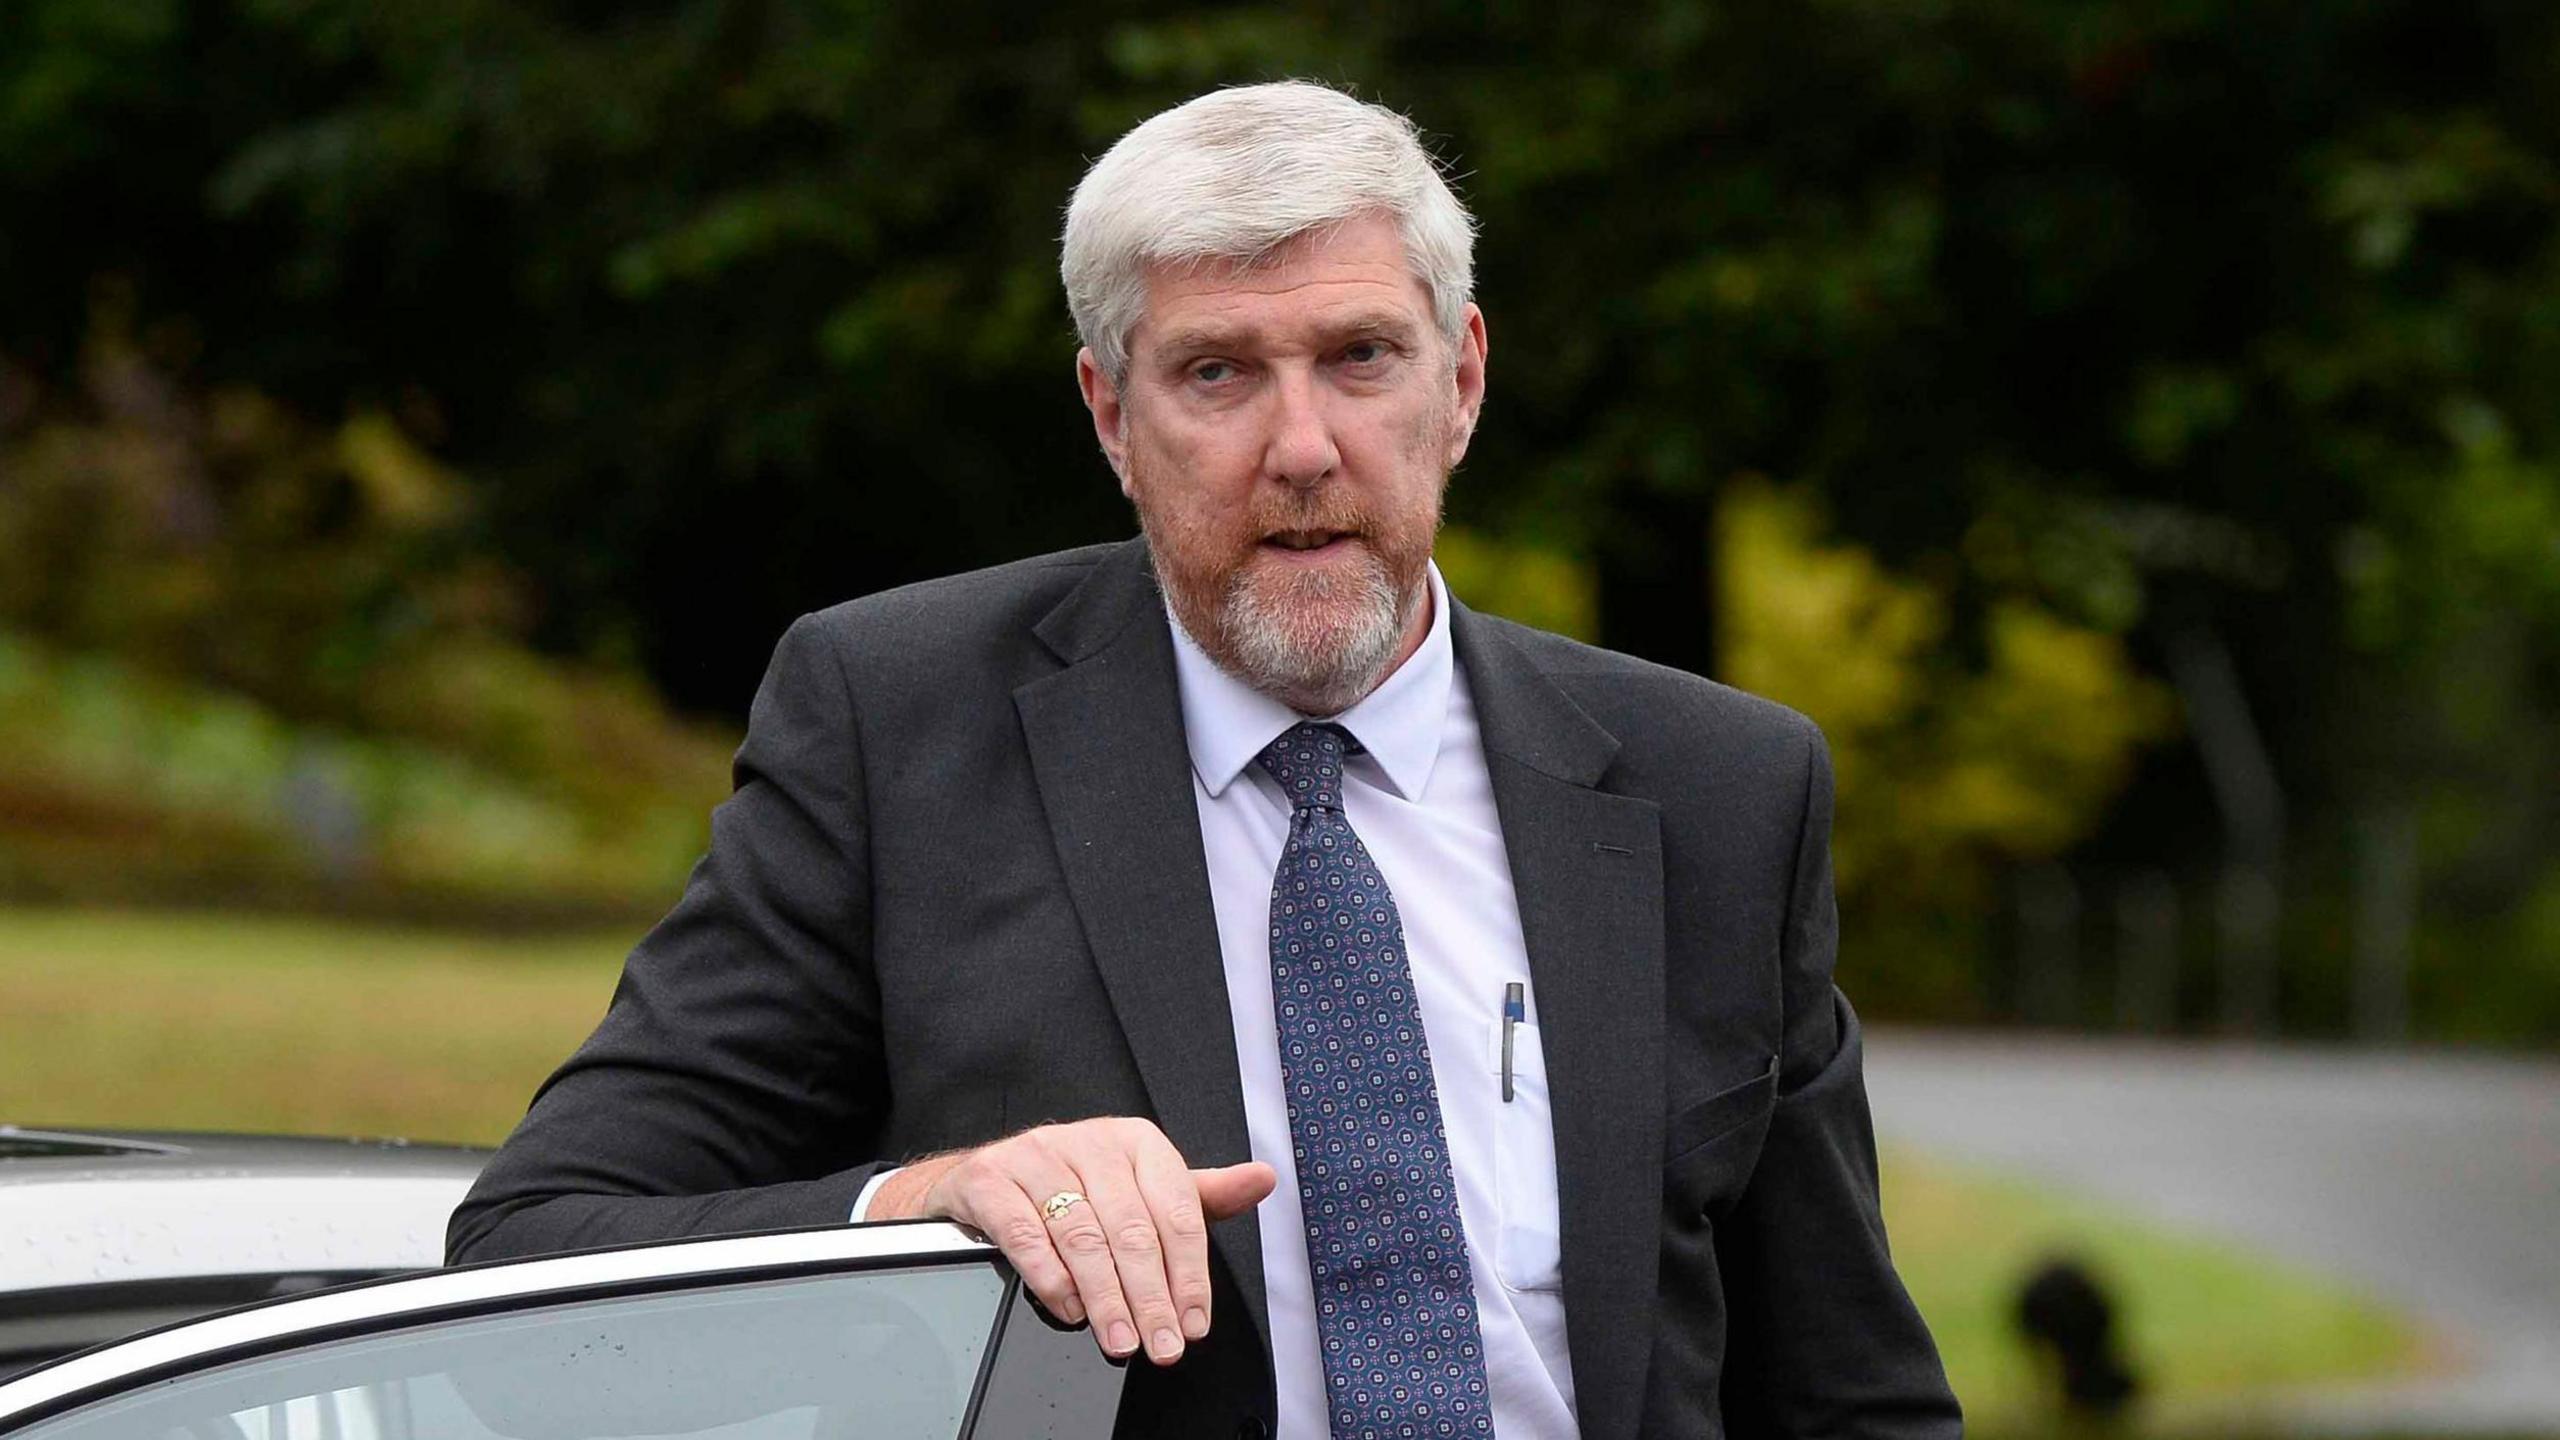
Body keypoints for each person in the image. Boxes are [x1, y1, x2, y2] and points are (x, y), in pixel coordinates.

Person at [449, 80, 1961, 1440]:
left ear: (1464, 381)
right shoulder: (893, 728)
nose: (1301, 447)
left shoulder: (1717, 788)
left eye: (1361, 356)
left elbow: (1845, 1393)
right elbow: (536, 1249)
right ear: (1112, 413)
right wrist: (930, 1208)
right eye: (1219, 375)